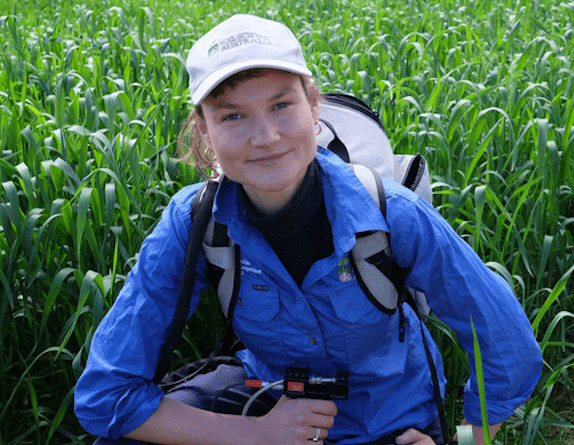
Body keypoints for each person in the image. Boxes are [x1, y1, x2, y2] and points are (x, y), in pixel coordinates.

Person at [74, 14, 542, 445]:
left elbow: (508, 350)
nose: (265, 137)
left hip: (391, 422)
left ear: (313, 106)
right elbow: (105, 396)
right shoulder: (195, 222)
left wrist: (464, 441)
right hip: (266, 405)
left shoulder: (390, 213)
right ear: (204, 131)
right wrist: (257, 434)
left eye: (281, 105)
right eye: (233, 115)